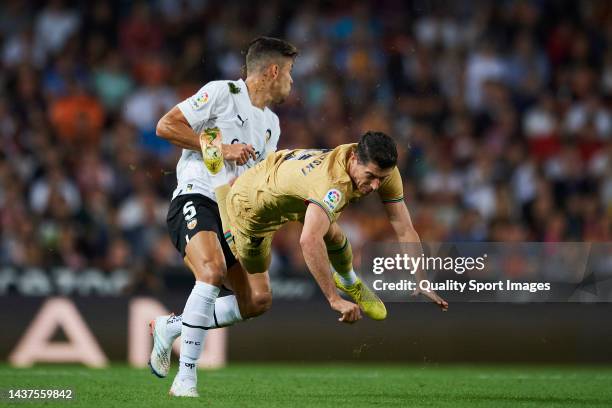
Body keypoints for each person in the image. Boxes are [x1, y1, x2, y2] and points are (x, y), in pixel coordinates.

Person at [151, 36, 298, 397]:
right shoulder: (222, 92)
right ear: (273, 71)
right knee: (212, 272)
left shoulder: (272, 124)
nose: (293, 82)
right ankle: (185, 379)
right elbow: (166, 126)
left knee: (258, 299)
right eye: (291, 73)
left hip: (237, 214)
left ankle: (172, 326)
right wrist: (221, 148)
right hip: (198, 196)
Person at [212, 131, 449, 325]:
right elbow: (308, 241)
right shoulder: (332, 185)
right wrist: (334, 300)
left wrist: (422, 279)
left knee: (332, 234)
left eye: (382, 178)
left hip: (291, 186)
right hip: (253, 205)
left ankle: (348, 280)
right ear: (354, 159)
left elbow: (404, 227)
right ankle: (223, 191)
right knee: (256, 265)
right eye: (371, 176)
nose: (376, 186)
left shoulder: (379, 167)